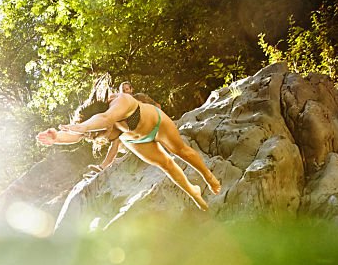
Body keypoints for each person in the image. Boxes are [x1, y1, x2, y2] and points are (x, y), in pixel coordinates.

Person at [36, 76, 221, 211]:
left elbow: (104, 117)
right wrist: (57, 138)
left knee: (181, 151)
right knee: (166, 165)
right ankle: (193, 192)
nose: (104, 135)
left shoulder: (120, 101)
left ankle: (208, 176)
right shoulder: (98, 126)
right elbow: (78, 136)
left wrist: (82, 126)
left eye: (104, 130)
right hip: (136, 140)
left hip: (158, 124)